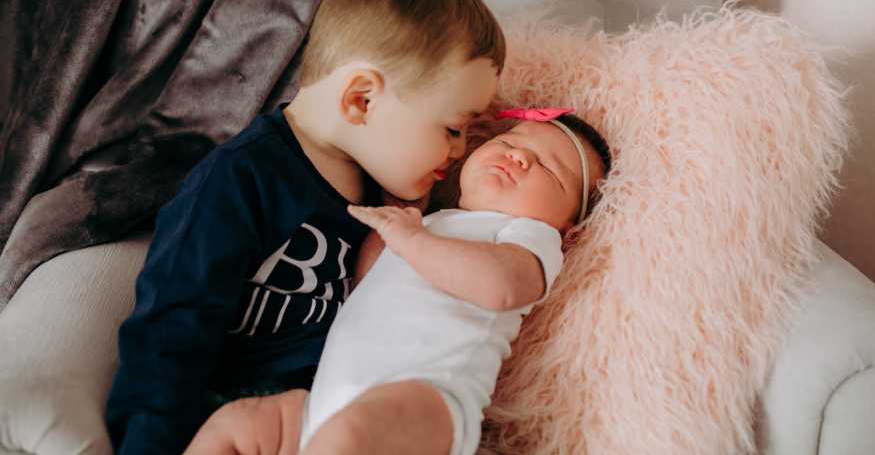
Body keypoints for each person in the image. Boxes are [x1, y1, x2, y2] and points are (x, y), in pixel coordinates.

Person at [104, 0, 505, 455]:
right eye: (452, 128)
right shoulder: (240, 179)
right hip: (241, 416)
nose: (459, 150)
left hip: (343, 417)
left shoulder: (387, 197)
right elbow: (170, 332)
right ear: (362, 99)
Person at [186, 108, 612, 455]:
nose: (520, 158)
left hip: (427, 401)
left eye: (550, 171)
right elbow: (367, 283)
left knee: (348, 436)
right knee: (237, 422)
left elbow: (501, 287)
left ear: (568, 229)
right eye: (509, 143)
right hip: (326, 402)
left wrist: (410, 239)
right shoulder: (432, 223)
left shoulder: (528, 238)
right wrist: (397, 224)